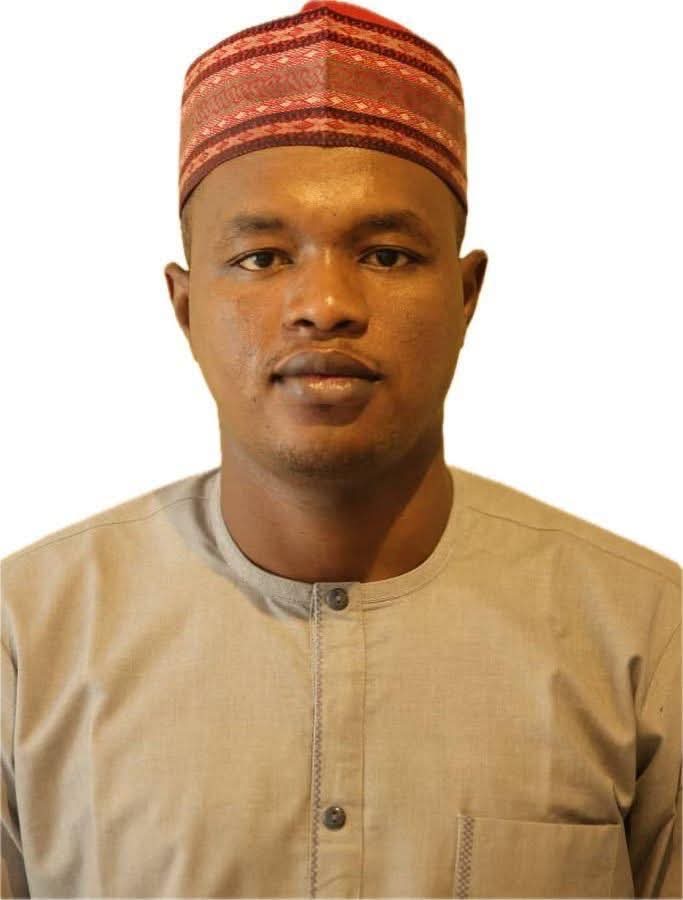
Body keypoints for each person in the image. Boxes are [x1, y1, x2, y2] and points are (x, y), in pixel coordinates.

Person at [1, 1, 680, 897]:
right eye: (262, 257)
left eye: (387, 255)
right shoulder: (26, 644)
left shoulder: (647, 639)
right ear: (185, 307)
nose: (324, 305)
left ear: (465, 297)